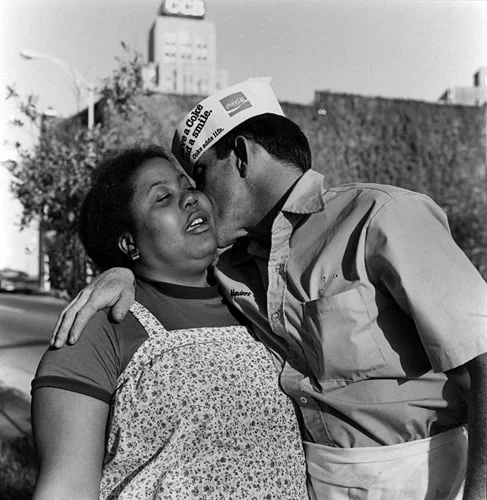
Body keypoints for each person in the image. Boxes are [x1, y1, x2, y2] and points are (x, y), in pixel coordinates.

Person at [51, 78, 487, 499]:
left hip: (427, 475)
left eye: (200, 175)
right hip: (319, 482)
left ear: (241, 156)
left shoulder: (381, 218)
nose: (198, 197)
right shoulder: (235, 267)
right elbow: (165, 269)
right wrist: (121, 271)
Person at [31, 145, 309, 500]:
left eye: (188, 186)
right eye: (162, 197)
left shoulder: (260, 301)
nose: (189, 198)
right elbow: (66, 488)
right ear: (129, 243)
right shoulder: (99, 327)